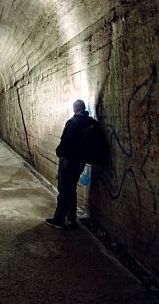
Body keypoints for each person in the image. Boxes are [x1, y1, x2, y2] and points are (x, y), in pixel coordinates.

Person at [46, 99, 93, 230]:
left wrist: (59, 152)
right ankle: (71, 218)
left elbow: (65, 142)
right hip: (80, 162)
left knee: (63, 190)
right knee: (72, 188)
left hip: (68, 161)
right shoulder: (91, 122)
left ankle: (59, 220)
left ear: (75, 108)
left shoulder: (72, 122)